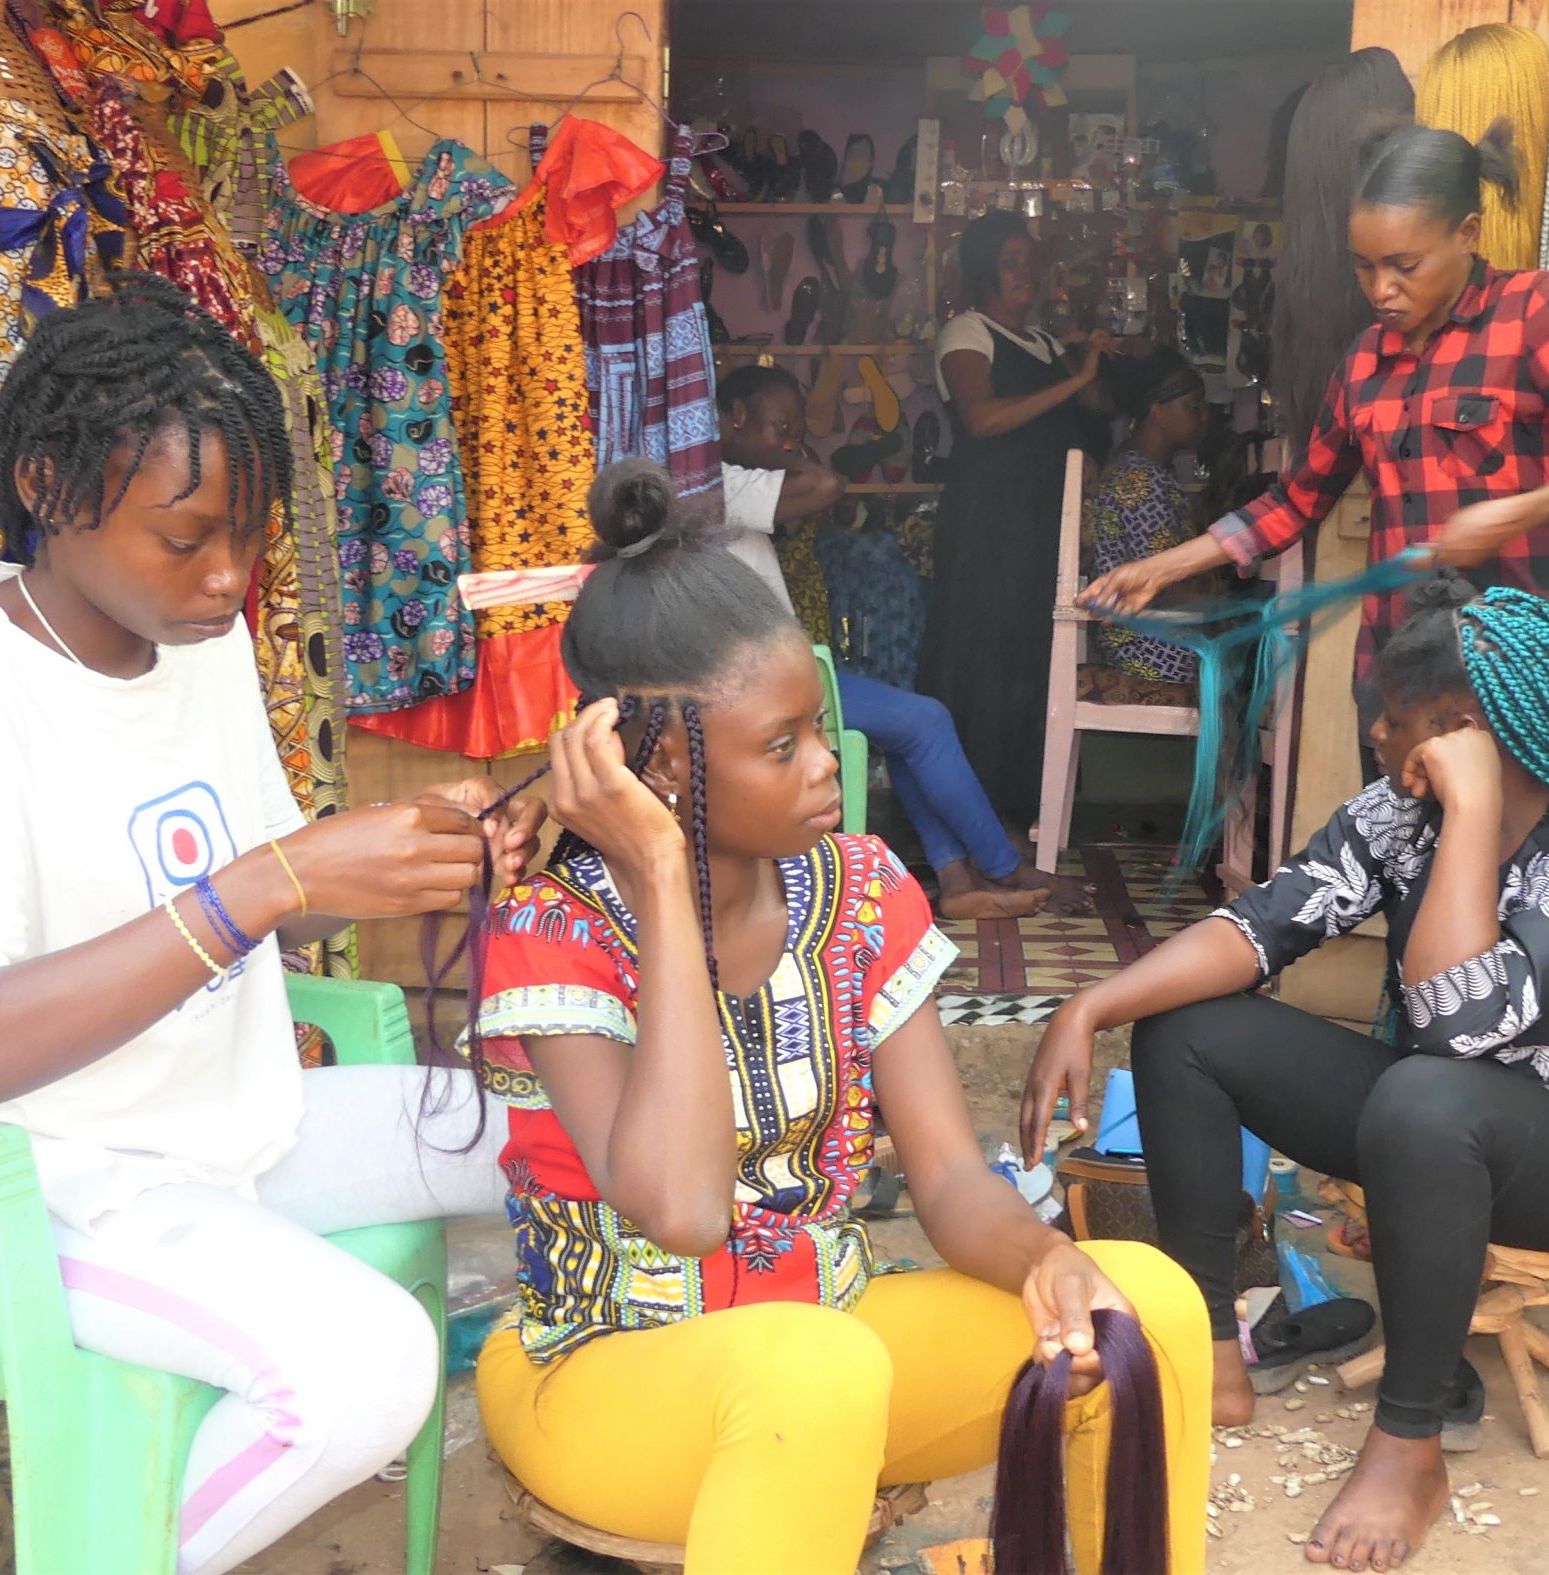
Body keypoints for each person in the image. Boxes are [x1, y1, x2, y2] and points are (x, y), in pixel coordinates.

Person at [0, 277, 542, 1575]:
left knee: (552, 1135)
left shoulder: (198, 639)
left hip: (224, 1128)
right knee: (367, 1362)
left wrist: (411, 860)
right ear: (54, 485)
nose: (230, 577)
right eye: (187, 539)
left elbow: (263, 893)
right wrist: (273, 880)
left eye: (249, 537)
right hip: (18, 1184)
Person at [470, 459, 1211, 1575]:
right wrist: (661, 879)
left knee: (1140, 1307)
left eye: (815, 725)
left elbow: (954, 1183)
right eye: (782, 746)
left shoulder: (859, 889)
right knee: (815, 1373)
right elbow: (679, 1209)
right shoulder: (554, 927)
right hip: (605, 1374)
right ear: (659, 764)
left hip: (831, 1346)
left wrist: (1041, 1259)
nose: (827, 766)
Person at [1021, 580, 1549, 1573]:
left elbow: (1454, 1028)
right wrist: (1091, 1005)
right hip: (1439, 1120)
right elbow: (1264, 925)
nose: (1378, 735)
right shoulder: (1397, 813)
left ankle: (1410, 1445)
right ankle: (1211, 1348)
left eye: (1393, 718)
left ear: (1456, 728)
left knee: (1427, 1094)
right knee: (1186, 1030)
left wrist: (1470, 811)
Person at [1082, 124, 1549, 741]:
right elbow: (1294, 501)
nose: (1380, 290)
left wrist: (1517, 514)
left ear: (1467, 233)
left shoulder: (1535, 310)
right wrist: (1163, 568)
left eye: (1405, 265)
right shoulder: (1365, 359)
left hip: (1514, 676)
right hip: (1395, 679)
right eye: (1364, 267)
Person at [717, 362, 1081, 918]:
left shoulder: (726, 482)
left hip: (775, 673)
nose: (792, 442)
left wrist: (767, 440)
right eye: (782, 427)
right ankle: (1005, 868)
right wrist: (761, 445)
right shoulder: (722, 484)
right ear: (733, 416)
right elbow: (826, 482)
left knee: (910, 727)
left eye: (795, 430)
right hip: (764, 682)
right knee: (926, 720)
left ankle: (958, 882)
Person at [923, 209, 1112, 825]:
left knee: (1034, 654)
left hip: (1040, 523)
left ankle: (1026, 802)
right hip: (988, 521)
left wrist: (1088, 369)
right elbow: (982, 418)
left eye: (1031, 261)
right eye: (1010, 263)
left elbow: (1093, 418)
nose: (1025, 273)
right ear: (982, 272)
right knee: (980, 651)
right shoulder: (965, 333)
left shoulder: (1049, 347)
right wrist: (1073, 378)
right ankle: (962, 809)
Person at [1085, 348, 1212, 705]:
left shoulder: (1142, 468)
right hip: (1149, 644)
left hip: (1144, 632)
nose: (1204, 417)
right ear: (1157, 411)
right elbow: (1168, 578)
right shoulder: (1140, 481)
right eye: (1193, 406)